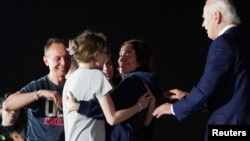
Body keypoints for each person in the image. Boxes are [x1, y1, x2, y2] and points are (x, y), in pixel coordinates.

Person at [153, 0, 250, 140]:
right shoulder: (244, 41)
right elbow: (230, 91)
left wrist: (174, 109)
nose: (203, 25)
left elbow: (207, 87)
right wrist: (187, 96)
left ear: (217, 16)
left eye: (205, 19)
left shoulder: (222, 43)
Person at [62, 30, 152, 141]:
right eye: (105, 53)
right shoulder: (96, 76)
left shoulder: (70, 79)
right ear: (96, 55)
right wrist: (139, 106)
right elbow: (112, 118)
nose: (107, 57)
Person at [3, 38, 71, 141]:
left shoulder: (74, 86)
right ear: (46, 61)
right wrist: (40, 93)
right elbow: (7, 105)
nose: (64, 63)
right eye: (58, 58)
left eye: (66, 58)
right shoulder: (39, 86)